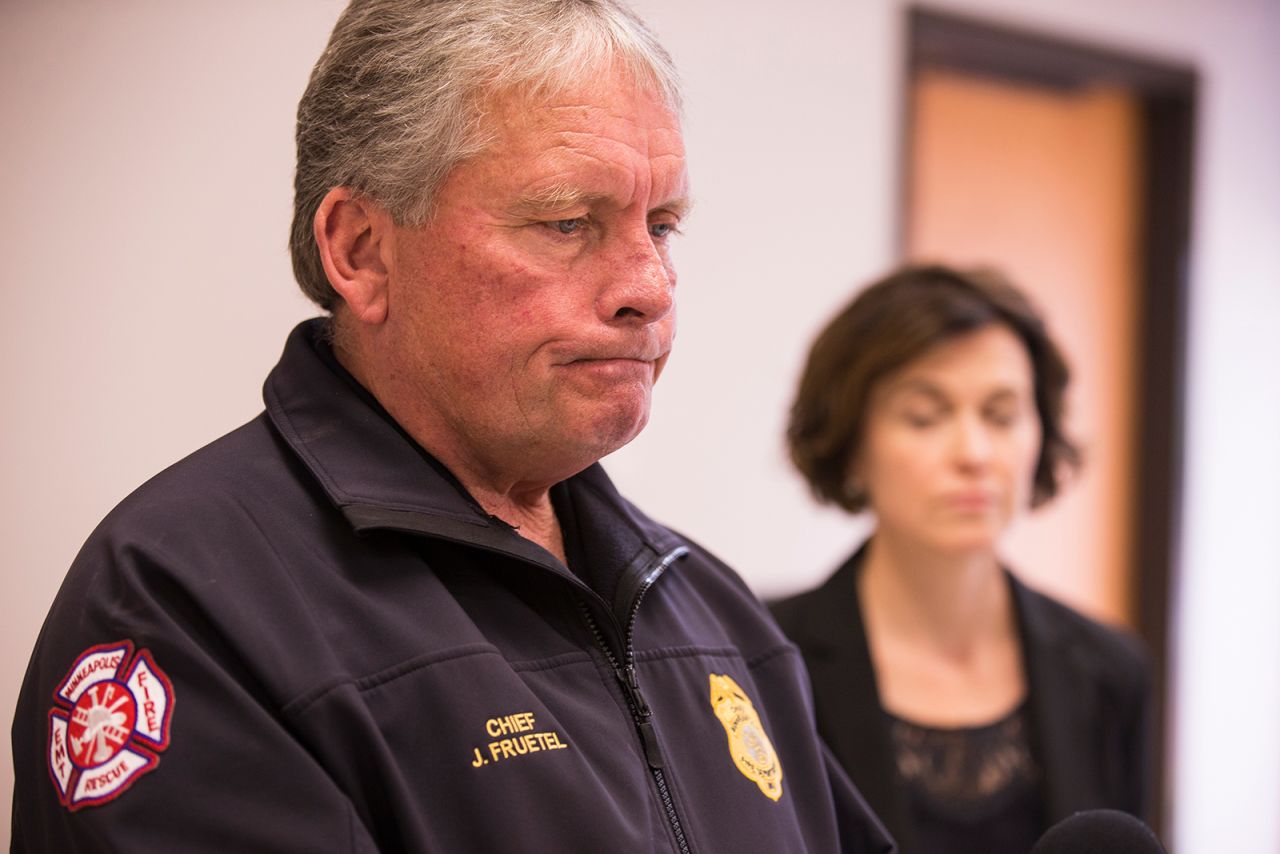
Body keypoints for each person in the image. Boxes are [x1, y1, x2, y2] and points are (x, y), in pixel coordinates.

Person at [10, 2, 894, 852]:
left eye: (662, 225)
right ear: (360, 249)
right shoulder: (183, 599)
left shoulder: (708, 607)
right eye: (567, 222)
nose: (651, 287)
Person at [770, 265, 1152, 854]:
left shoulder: (1110, 670)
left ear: (1040, 436)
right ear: (850, 442)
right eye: (925, 417)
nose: (973, 454)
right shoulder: (764, 660)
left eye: (1001, 416)